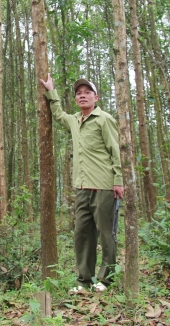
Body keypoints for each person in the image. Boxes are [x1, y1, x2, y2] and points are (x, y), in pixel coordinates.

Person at [39, 74, 123, 293]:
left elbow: (116, 150)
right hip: (83, 187)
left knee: (107, 234)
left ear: (96, 97)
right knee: (82, 234)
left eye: (87, 92)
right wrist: (51, 91)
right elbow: (58, 115)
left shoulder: (104, 119)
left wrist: (119, 180)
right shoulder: (75, 120)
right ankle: (84, 281)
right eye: (79, 93)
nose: (82, 96)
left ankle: (106, 280)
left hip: (104, 185)